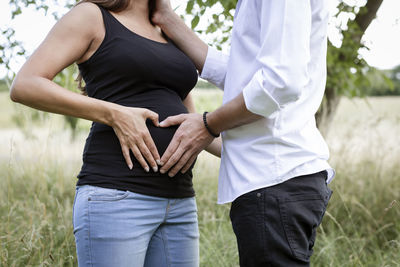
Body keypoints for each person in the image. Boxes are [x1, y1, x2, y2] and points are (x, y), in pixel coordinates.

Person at [10, 0, 221, 266]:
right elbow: (26, 84)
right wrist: (115, 113)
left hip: (179, 203)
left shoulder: (167, 27)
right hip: (117, 196)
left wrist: (248, 153)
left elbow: (189, 123)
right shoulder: (92, 16)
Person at [152, 0, 335, 266]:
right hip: (276, 181)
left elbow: (279, 83)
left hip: (274, 180)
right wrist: (169, 20)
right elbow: (247, 76)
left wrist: (208, 124)